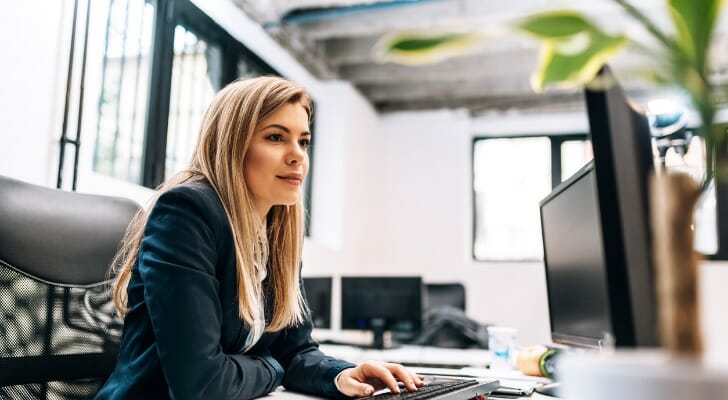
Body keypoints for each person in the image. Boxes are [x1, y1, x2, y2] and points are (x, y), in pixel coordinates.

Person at [96, 76, 424, 399]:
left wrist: (340, 374)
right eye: (276, 137)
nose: (298, 155)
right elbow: (202, 386)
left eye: (303, 141)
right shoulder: (187, 213)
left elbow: (295, 351)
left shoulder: (272, 235)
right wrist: (273, 367)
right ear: (233, 144)